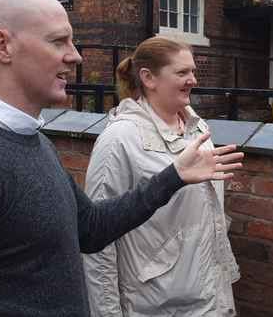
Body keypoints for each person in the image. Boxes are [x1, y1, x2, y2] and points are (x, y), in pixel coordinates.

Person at [0, 0, 243, 317]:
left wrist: (174, 176)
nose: (76, 55)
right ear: (2, 46)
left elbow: (91, 228)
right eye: (58, 41)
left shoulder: (34, 140)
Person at [83, 37, 239, 316]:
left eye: (193, 71)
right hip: (153, 305)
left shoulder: (196, 127)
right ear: (148, 78)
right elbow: (97, 240)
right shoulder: (120, 139)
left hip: (209, 299)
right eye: (181, 73)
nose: (192, 79)